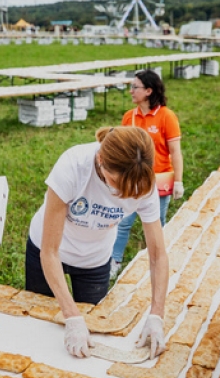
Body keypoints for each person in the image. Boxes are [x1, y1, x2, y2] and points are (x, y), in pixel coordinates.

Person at [26, 126, 169, 358]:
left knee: (94, 330)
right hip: (49, 251)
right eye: (115, 182)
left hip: (95, 259)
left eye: (130, 190)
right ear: (100, 159)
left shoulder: (144, 183)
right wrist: (72, 317)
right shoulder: (73, 166)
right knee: (41, 326)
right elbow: (50, 251)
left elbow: (158, 255)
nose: (120, 194)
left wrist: (157, 315)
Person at [111, 69, 183, 279]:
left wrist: (178, 181)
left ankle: (156, 261)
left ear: (149, 91)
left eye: (135, 87)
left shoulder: (166, 116)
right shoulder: (129, 117)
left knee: (156, 223)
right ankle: (114, 261)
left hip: (159, 180)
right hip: (133, 179)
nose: (131, 91)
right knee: (123, 222)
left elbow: (175, 152)